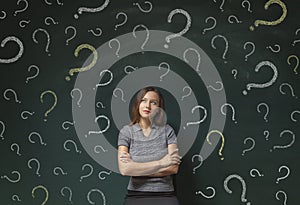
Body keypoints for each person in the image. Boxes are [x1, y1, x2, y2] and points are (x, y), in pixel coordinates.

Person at [118, 86, 181, 205]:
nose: (147, 106)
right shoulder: (126, 132)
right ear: (138, 104)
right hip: (136, 195)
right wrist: (161, 163)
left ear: (159, 108)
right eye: (143, 100)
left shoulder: (168, 131)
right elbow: (125, 169)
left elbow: (173, 168)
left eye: (153, 102)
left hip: (165, 194)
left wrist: (136, 167)